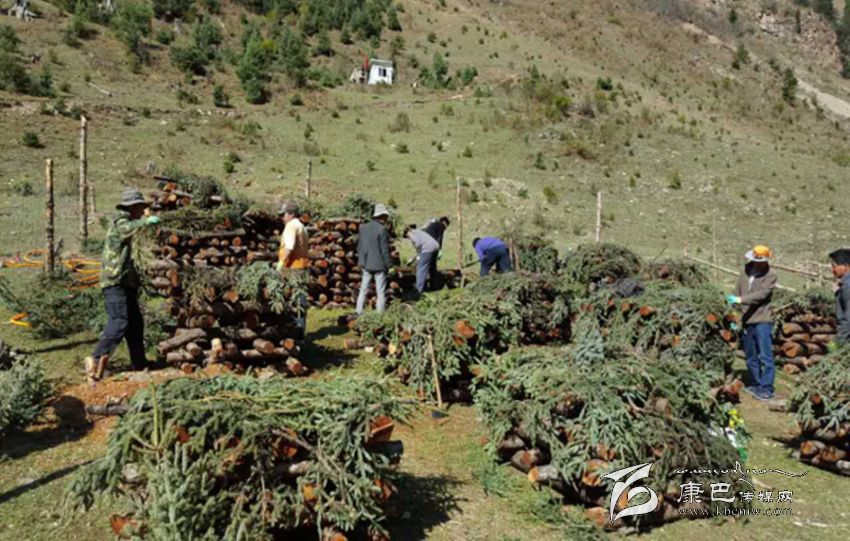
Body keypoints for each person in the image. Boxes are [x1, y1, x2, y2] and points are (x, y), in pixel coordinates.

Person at [84, 188, 160, 384]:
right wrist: (146, 221)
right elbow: (127, 229)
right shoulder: (121, 221)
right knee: (119, 322)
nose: (142, 211)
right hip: (114, 281)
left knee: (135, 323)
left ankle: (140, 363)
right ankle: (95, 361)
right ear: (132, 207)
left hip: (125, 283)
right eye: (140, 207)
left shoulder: (130, 221)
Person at [727, 245, 777, 400]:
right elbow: (737, 291)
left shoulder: (771, 275)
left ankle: (766, 388)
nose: (759, 264)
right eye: (756, 261)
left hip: (762, 320)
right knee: (750, 356)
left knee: (765, 356)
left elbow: (762, 294)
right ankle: (756, 383)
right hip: (746, 320)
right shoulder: (745, 272)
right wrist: (735, 313)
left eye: (761, 261)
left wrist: (740, 299)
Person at [276, 201, 310, 338]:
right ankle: (299, 331)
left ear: (291, 214)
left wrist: (280, 263)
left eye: (283, 215)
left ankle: (296, 332)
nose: (282, 218)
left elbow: (289, 247)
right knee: (300, 299)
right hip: (301, 267)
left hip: (293, 269)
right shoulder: (301, 226)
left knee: (295, 301)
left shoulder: (291, 226)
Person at [356, 204, 393, 314]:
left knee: (363, 290)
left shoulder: (363, 228)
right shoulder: (382, 229)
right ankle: (379, 314)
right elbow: (384, 250)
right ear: (382, 216)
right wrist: (390, 265)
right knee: (380, 291)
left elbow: (360, 246)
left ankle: (358, 311)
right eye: (385, 216)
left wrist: (361, 262)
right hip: (379, 265)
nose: (386, 219)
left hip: (366, 263)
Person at [405, 224, 440, 295]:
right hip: (435, 246)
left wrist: (419, 254)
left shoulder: (410, 233)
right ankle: (434, 286)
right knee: (432, 268)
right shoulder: (418, 231)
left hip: (427, 248)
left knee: (421, 269)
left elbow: (418, 243)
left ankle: (418, 290)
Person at [828, 248, 850, 348]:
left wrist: (837, 343)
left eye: (834, 266)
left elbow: (848, 319)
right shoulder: (844, 285)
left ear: (845, 266)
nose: (832, 270)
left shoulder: (847, 286)